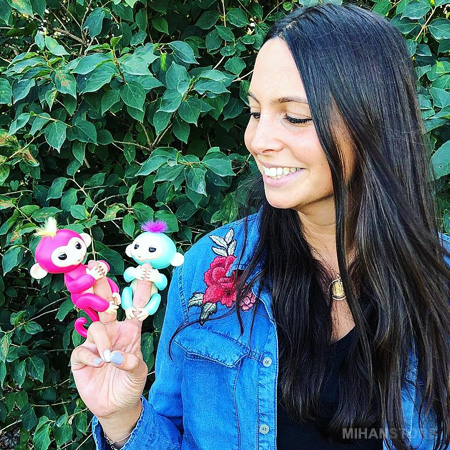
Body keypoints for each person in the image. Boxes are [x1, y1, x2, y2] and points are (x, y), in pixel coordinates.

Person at [70, 3, 450, 450]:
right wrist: (121, 418)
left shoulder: (440, 283)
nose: (258, 140)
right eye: (255, 112)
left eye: (295, 116)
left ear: (373, 120)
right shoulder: (209, 268)